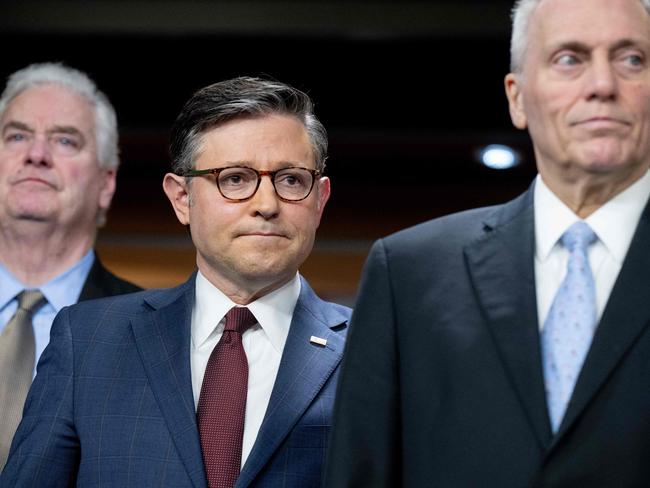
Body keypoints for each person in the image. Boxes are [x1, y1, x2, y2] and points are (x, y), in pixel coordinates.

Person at [324, 0, 650, 486]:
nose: (602, 85)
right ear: (517, 98)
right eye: (569, 59)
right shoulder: (410, 273)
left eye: (632, 60)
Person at [1, 76, 351, 488]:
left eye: (291, 179)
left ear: (320, 199)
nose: (267, 204)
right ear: (182, 198)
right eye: (234, 179)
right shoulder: (87, 341)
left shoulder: (372, 349)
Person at [0, 62, 140, 468]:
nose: (36, 155)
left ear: (106, 183)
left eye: (65, 141)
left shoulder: (155, 332)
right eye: (17, 136)